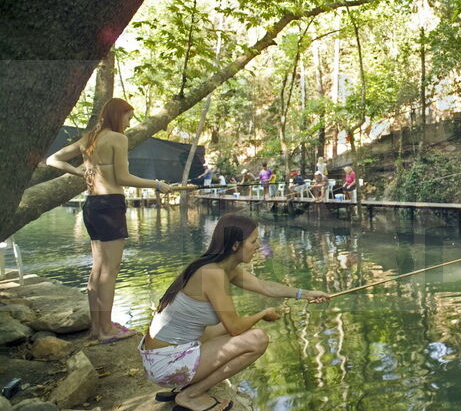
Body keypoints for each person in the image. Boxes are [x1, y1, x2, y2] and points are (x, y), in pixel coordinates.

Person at [139, 213, 329, 411]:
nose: (258, 246)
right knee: (257, 339)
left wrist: (305, 293)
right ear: (235, 245)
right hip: (165, 364)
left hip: (160, 356)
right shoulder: (213, 274)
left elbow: (265, 286)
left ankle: (187, 384)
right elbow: (236, 328)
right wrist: (263, 313)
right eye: (253, 241)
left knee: (221, 327)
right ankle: (191, 395)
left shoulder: (222, 267)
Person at [46, 98, 173, 343]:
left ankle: (97, 327)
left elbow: (53, 159)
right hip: (111, 206)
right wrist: (157, 184)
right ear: (117, 115)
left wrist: (81, 172)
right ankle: (106, 329)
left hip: (92, 205)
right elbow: (123, 177)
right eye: (127, 116)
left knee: (97, 269)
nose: (129, 122)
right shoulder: (118, 138)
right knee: (110, 271)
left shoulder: (90, 138)